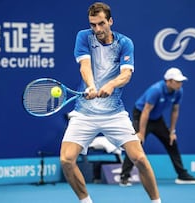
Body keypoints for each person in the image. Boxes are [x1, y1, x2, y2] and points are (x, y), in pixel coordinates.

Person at [59, 2, 161, 203]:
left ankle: (157, 202)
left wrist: (111, 85)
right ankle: (86, 201)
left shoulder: (125, 43)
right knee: (66, 160)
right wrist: (91, 86)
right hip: (84, 114)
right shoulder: (84, 37)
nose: (97, 29)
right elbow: (85, 66)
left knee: (139, 158)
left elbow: (126, 75)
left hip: (114, 114)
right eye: (93, 24)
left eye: (101, 23)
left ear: (110, 21)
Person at [119, 67, 195, 186]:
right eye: (177, 81)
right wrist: (141, 133)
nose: (180, 84)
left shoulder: (179, 91)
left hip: (157, 118)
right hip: (141, 115)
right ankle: (124, 176)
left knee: (171, 142)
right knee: (136, 144)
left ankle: (182, 175)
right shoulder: (156, 90)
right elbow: (146, 111)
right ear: (168, 81)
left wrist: (172, 131)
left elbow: (175, 110)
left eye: (181, 81)